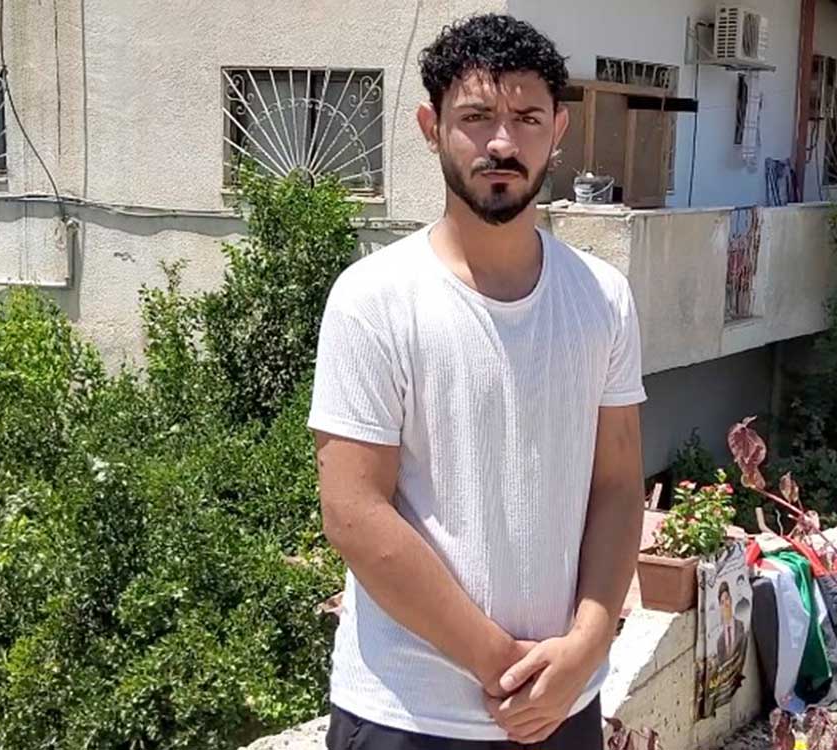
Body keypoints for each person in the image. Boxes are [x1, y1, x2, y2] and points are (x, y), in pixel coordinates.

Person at [308, 13, 647, 750]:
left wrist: (588, 644)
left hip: (565, 707)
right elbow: (353, 513)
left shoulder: (603, 298)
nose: (501, 141)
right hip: (406, 716)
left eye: (526, 117)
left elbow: (619, 485)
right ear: (431, 126)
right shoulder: (373, 299)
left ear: (558, 129)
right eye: (475, 116)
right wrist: (506, 669)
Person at [714, 581, 748, 668]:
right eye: (722, 602)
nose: (725, 604)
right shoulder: (720, 641)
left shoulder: (741, 626)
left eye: (727, 598)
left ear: (731, 599)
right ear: (720, 607)